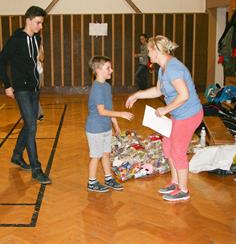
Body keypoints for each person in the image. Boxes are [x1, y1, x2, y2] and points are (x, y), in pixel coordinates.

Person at [125, 35, 203, 202]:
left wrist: (165, 109)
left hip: (189, 115)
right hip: (178, 115)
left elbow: (184, 95)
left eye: (149, 51)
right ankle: (175, 183)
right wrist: (137, 95)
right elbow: (158, 91)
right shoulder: (162, 68)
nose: (147, 54)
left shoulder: (173, 68)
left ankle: (183, 190)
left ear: (156, 50)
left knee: (178, 151)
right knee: (168, 146)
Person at [0, 6, 51, 185]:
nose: (40, 26)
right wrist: (7, 85)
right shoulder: (15, 39)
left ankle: (17, 155)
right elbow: (0, 62)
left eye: (42, 23)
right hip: (21, 89)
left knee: (29, 125)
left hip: (34, 88)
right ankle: (36, 169)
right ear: (28, 20)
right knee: (32, 127)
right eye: (38, 22)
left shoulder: (37, 37)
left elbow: (33, 61)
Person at [86, 56, 134, 192]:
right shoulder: (97, 88)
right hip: (95, 129)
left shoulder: (106, 86)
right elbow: (101, 111)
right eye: (108, 68)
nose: (111, 70)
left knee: (106, 154)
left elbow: (109, 107)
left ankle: (108, 178)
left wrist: (116, 125)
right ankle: (92, 182)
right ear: (97, 70)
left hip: (105, 127)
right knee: (96, 156)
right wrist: (122, 114)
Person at [37, 44, 44, 121]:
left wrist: (40, 48)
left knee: (35, 93)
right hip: (29, 74)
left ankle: (39, 114)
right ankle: (39, 113)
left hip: (39, 73)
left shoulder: (40, 46)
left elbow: (42, 59)